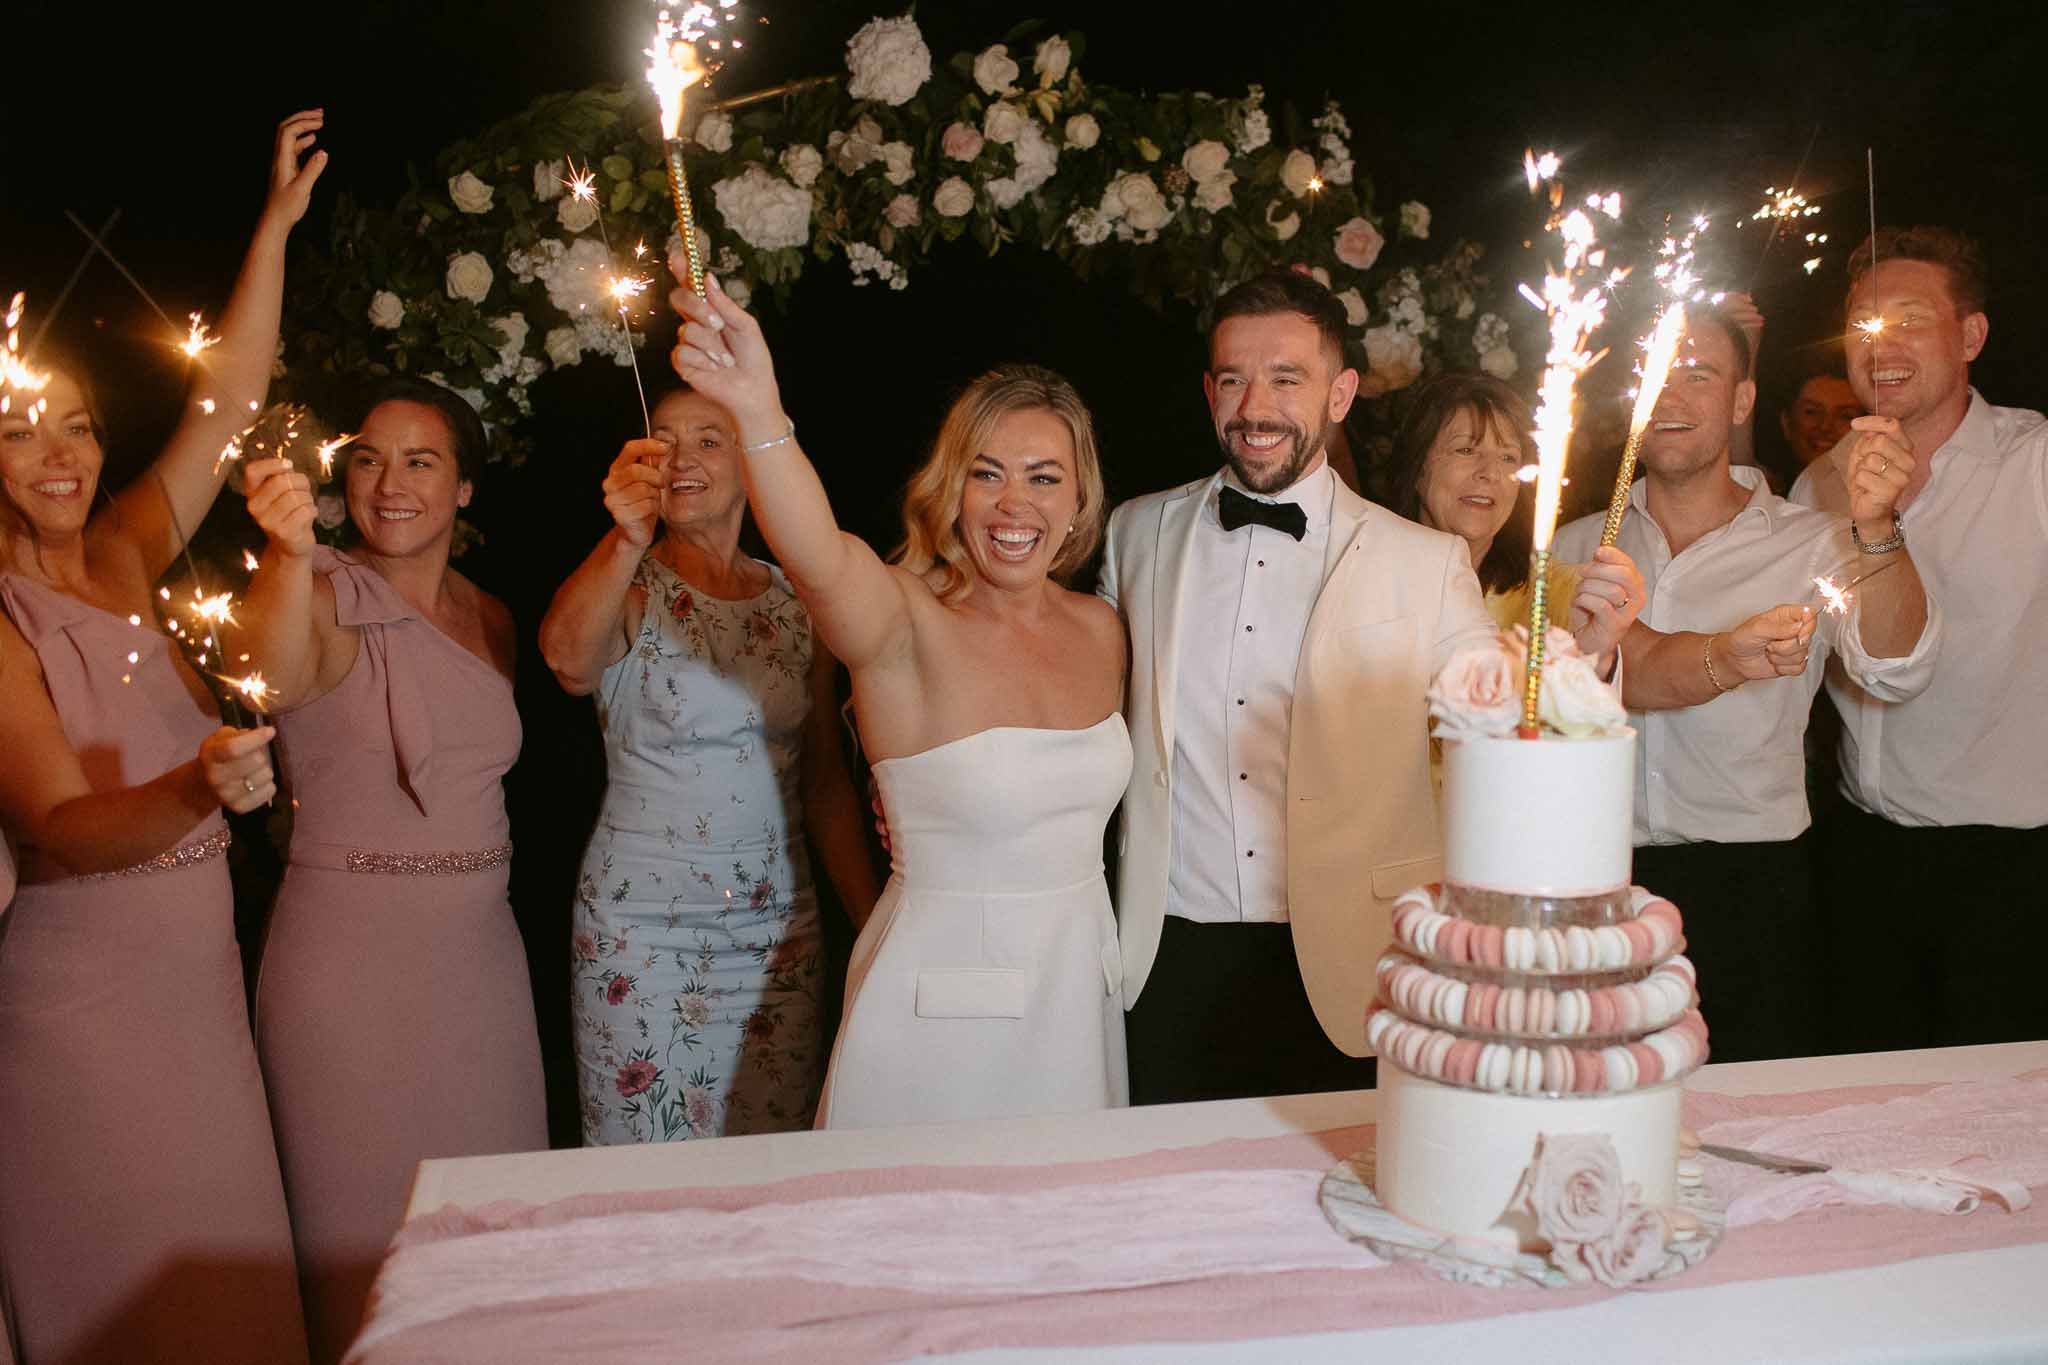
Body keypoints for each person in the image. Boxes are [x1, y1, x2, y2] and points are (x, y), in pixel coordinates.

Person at [0, 111, 323, 1365]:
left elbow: (230, 397)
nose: (58, 456)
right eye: (20, 432)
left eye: (74, 424)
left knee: (232, 1315)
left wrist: (273, 229)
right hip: (82, 1022)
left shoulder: (129, 550)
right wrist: (197, 786)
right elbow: (63, 827)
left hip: (198, 1007)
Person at [669, 272, 1129, 1129]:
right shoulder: (901, 622)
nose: (1014, 504)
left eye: (1042, 477)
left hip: (1078, 998)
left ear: (1077, 501)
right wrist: (759, 412)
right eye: (986, 474)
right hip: (936, 1021)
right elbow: (815, 555)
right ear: (952, 492)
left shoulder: (1104, 628)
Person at [1100, 269, 1498, 1106]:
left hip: (1357, 965)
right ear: (1209, 389)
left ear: (1341, 392)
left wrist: (1589, 657)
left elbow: (1497, 728)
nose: (1256, 406)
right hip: (1166, 956)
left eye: (1288, 378)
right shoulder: (1136, 533)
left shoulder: (1426, 564)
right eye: (1235, 378)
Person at [237, 377, 546, 1363]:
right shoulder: (316, 590)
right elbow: (273, 675)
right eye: (367, 458)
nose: (390, 482)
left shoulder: (492, 619)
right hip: (346, 968)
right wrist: (285, 556)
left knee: (496, 1237)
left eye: (421, 460)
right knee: (360, 1253)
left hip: (480, 962)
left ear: (463, 488)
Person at [1553, 305, 1938, 1063]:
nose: (1670, 396)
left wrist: (1878, 524)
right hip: (1593, 881)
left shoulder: (1815, 540)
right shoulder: (1575, 544)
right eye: (1654, 376)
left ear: (1741, 401)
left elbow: (1898, 667)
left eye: (1698, 375)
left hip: (1751, 884)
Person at [539, 386, 880, 1142]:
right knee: (643, 1173)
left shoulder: (799, 602)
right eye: (665, 439)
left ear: (752, 459)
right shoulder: (628, 586)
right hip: (641, 937)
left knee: (765, 1164)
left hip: (775, 939)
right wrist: (626, 535)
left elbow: (825, 782)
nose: (682, 458)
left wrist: (875, 927)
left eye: (709, 439)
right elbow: (565, 659)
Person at [1790, 226, 2047, 1052]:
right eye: (1865, 325)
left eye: (1909, 318)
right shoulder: (1820, 480)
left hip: (2011, 870)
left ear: (1969, 335)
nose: (1883, 346)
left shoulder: (2035, 463)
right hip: (1859, 853)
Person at [1383, 371, 1643, 645]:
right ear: (1417, 465)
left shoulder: (1559, 592)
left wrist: (1599, 649)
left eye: (1508, 457)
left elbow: (1651, 661)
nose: (1490, 473)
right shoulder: (1365, 570)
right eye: (1466, 450)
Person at [1780, 369, 1863, 469]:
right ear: (1786, 422)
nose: (1825, 427)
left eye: (1845, 416)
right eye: (1812, 412)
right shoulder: (1758, 482)